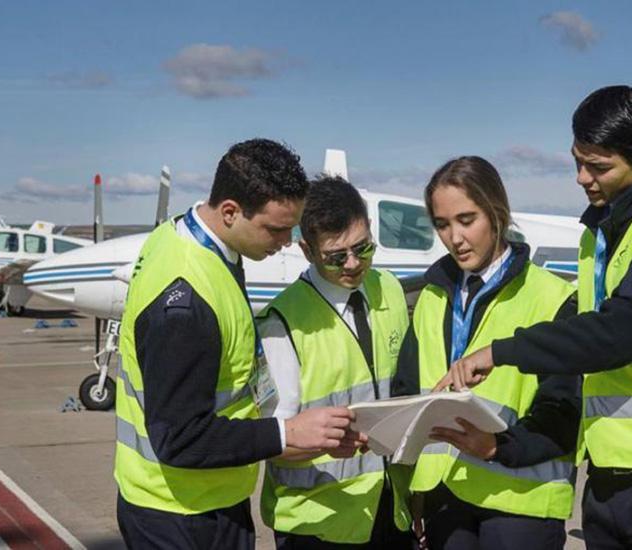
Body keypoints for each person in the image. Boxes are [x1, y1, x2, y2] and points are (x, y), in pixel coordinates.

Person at [436, 86, 632, 549]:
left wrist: (501, 352)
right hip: (611, 473)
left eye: (598, 167)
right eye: (577, 160)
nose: (582, 177)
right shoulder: (600, 233)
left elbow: (617, 333)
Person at [114, 139, 360, 549]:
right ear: (229, 211)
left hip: (204, 496)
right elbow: (179, 437)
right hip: (181, 513)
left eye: (292, 228)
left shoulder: (182, 236)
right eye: (276, 229)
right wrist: (285, 435)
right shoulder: (186, 304)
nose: (286, 242)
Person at [391, 156, 581, 549]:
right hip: (446, 495)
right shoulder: (430, 297)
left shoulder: (554, 297)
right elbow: (407, 390)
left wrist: (498, 447)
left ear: (497, 213)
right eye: (442, 224)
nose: (455, 238)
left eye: (466, 219)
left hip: (521, 502)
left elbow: (565, 411)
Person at [257, 176, 413, 549]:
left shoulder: (389, 288)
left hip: (392, 512)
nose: (354, 263)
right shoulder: (280, 324)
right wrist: (326, 441)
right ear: (307, 250)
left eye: (363, 247)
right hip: (317, 523)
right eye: (335, 256)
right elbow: (269, 439)